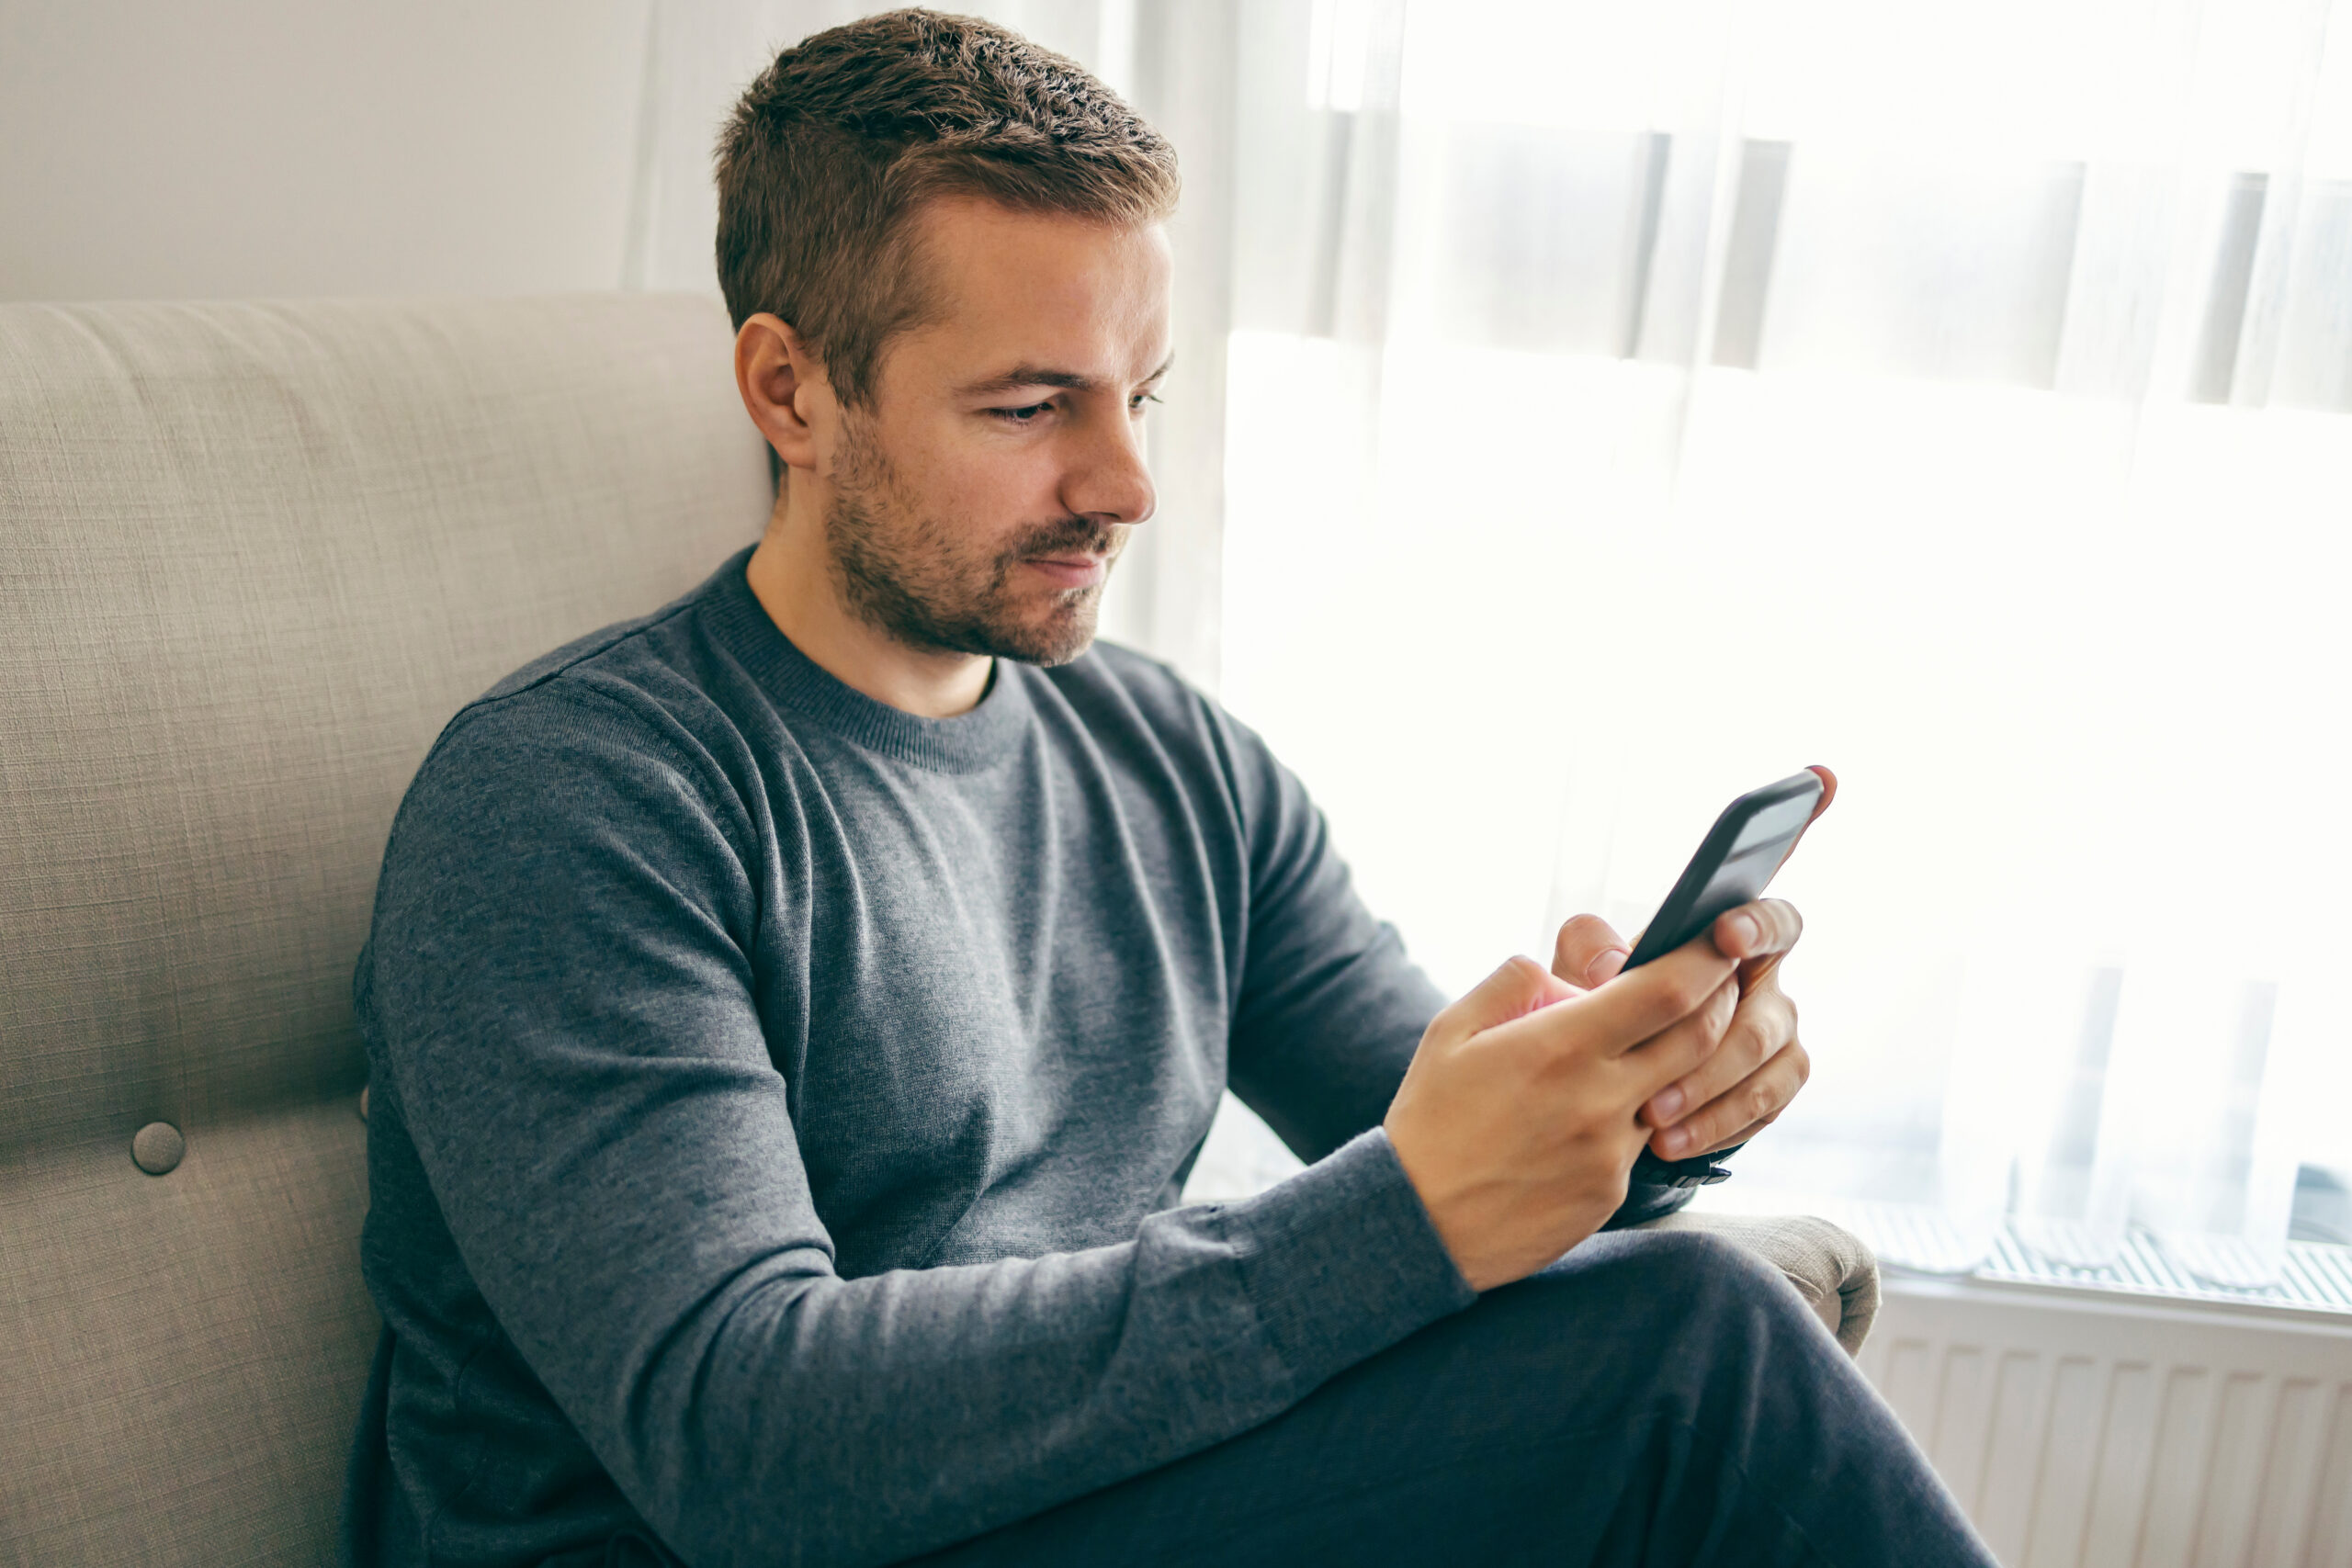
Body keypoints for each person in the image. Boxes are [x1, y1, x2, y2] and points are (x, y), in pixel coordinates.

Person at [342, 10, 1996, 1566]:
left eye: (1138, 397)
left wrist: (1632, 1104)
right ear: (793, 391)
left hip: (1066, 1508)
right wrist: (1411, 1210)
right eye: (1028, 406)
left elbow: (1420, 1115)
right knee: (1687, 1355)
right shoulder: (577, 804)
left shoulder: (1171, 764)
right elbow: (742, 1437)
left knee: (1677, 1309)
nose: (1125, 484)